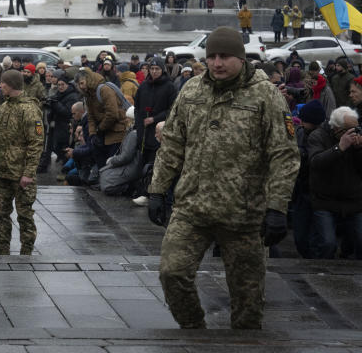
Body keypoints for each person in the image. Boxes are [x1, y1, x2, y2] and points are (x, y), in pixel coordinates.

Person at [147, 26, 299, 329]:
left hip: (244, 214)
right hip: (193, 207)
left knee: (247, 300)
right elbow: (173, 142)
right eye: (212, 56)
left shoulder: (265, 94)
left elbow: (284, 154)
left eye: (225, 57)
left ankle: (244, 345)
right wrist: (157, 189)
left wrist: (277, 207)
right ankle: (194, 332)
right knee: (172, 273)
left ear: (241, 58)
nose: (217, 63)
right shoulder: (191, 90)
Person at [0, 69, 44, 255]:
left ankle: (26, 253)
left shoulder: (29, 109)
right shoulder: (5, 107)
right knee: (1, 214)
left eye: (2, 83)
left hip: (20, 174)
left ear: (9, 85)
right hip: (2, 172)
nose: (0, 86)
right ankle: (3, 251)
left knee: (24, 216)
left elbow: (36, 143)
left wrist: (28, 173)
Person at [307, 106, 362, 259]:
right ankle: (321, 273)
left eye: (357, 128)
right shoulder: (317, 136)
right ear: (337, 129)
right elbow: (315, 163)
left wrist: (359, 150)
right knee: (327, 244)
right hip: (325, 200)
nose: (355, 133)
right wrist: (340, 147)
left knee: (359, 241)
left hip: (353, 201)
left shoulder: (357, 139)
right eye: (351, 130)